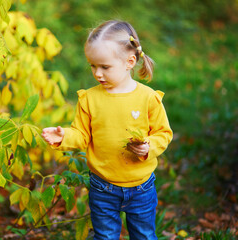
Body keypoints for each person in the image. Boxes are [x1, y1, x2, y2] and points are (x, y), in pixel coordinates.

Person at [41, 20, 173, 240]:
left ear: (130, 61)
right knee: (105, 236)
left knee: (144, 235)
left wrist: (148, 146)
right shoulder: (89, 99)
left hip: (141, 187)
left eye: (105, 67)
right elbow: (82, 135)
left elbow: (163, 133)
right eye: (92, 65)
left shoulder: (148, 98)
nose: (97, 73)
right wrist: (64, 136)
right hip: (102, 187)